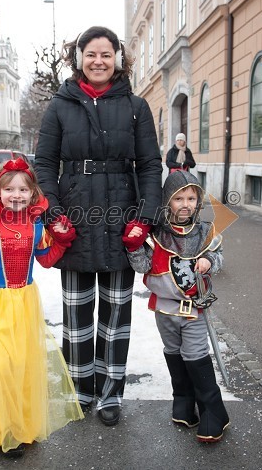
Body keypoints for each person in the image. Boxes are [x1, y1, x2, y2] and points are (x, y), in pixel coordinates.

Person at [35, 26, 162, 426]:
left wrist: (145, 217)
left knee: (115, 318)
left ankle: (110, 396)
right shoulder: (59, 106)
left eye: (107, 54)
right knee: (76, 316)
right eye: (91, 54)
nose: (99, 61)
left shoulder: (137, 106)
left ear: (117, 59)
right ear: (79, 58)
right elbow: (44, 164)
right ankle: (80, 391)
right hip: (73, 220)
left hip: (121, 221)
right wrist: (52, 213)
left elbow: (150, 165)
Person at [0, 158, 84, 458]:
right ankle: (3, 429)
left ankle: (22, 426)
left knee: (22, 365)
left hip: (25, 303)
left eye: (23, 190)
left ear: (32, 193)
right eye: (9, 189)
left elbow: (45, 259)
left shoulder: (35, 225)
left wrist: (63, 242)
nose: (16, 195)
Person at [123, 170, 229, 443]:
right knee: (173, 354)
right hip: (165, 309)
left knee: (195, 356)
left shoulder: (205, 231)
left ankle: (213, 413)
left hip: (194, 308)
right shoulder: (157, 234)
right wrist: (134, 246)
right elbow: (143, 267)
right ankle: (183, 403)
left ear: (198, 200)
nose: (185, 203)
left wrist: (209, 261)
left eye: (191, 197)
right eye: (178, 198)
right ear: (167, 202)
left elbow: (218, 258)